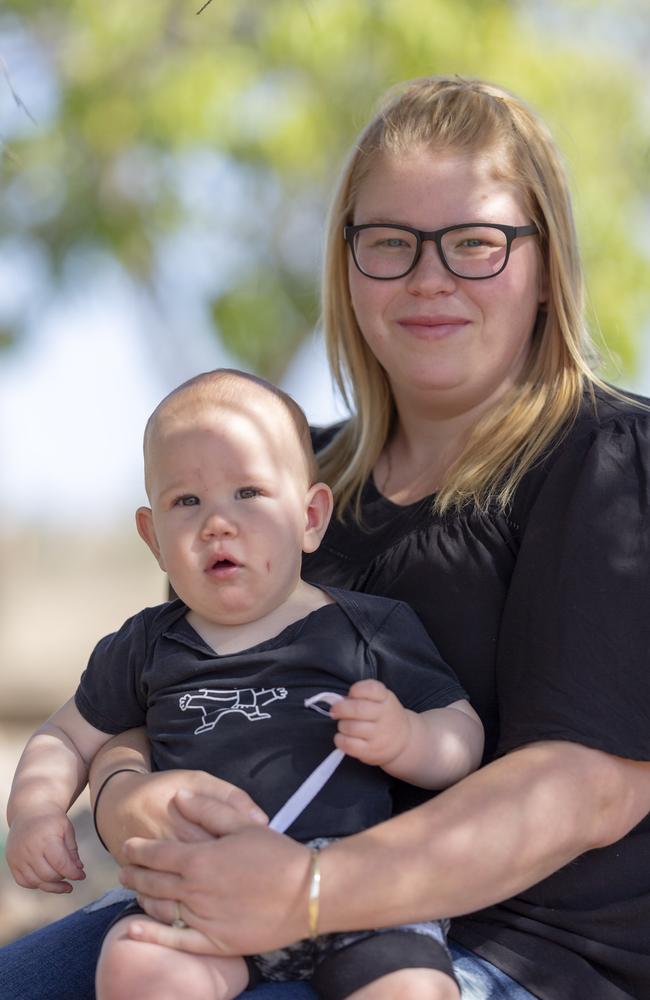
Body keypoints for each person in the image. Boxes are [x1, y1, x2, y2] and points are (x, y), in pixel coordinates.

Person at [1, 74, 649, 1000]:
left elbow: (588, 790)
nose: (430, 278)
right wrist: (123, 796)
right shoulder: (280, 473)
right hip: (218, 909)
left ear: (545, 267)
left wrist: (308, 892)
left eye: (476, 243)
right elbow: (148, 695)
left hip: (499, 949)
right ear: (347, 265)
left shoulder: (612, 464)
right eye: (390, 242)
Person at [5, 369, 483, 1000]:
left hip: (348, 896)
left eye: (248, 492)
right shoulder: (147, 644)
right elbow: (66, 737)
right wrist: (34, 811)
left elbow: (463, 733)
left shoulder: (367, 629)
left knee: (411, 988)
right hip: (199, 898)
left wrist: (408, 739)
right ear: (153, 539)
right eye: (187, 502)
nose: (217, 524)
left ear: (310, 517)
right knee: (134, 964)